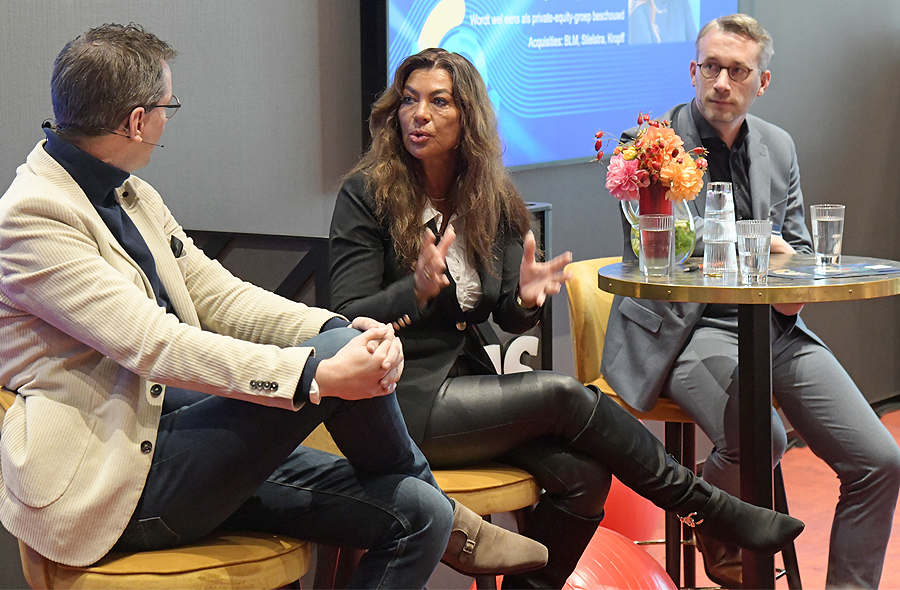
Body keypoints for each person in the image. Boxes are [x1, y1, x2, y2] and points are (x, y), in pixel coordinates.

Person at [0, 24, 549, 589]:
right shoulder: (35, 216)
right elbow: (153, 343)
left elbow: (219, 295)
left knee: (420, 514)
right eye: (168, 106)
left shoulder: (131, 192)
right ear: (137, 121)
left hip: (189, 435)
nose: (170, 118)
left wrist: (335, 328)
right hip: (117, 484)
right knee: (337, 365)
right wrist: (315, 374)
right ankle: (460, 523)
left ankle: (446, 516)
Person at [328, 47, 804, 590]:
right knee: (562, 394)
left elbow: (506, 314)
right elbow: (345, 315)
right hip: (397, 398)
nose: (419, 114)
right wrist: (412, 293)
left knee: (583, 477)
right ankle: (705, 506)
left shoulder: (492, 199)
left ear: (468, 119)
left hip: (465, 388)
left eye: (439, 102)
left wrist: (527, 299)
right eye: (410, 101)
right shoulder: (366, 195)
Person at [602, 14, 900, 589]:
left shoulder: (778, 146)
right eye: (711, 67)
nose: (721, 82)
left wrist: (790, 286)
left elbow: (802, 250)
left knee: (879, 462)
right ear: (693, 70)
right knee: (762, 436)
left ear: (760, 82)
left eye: (737, 71)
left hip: (774, 327)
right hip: (688, 329)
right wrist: (745, 246)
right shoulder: (649, 145)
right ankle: (718, 529)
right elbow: (653, 252)